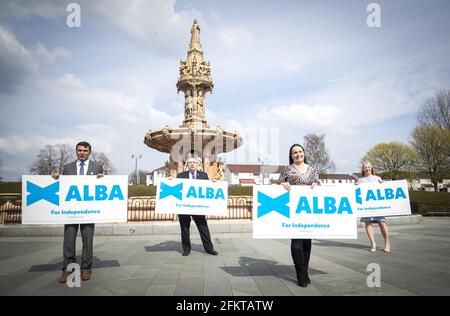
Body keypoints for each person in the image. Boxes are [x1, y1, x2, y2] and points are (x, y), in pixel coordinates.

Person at [52, 141, 104, 283]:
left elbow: (102, 187)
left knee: (88, 240)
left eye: (84, 150)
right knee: (68, 241)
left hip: (88, 210)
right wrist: (56, 178)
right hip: (71, 211)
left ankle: (86, 268)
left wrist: (102, 179)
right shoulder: (67, 167)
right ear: (76, 151)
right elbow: (62, 187)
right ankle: (68, 269)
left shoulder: (97, 166)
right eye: (79, 150)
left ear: (89, 152)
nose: (81, 153)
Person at [278, 144, 320, 288]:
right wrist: (283, 184)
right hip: (293, 212)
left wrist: (316, 184)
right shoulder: (287, 170)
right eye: (294, 152)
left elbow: (319, 184)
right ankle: (300, 274)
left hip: (308, 212)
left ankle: (305, 271)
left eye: (300, 151)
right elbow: (278, 184)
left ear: (304, 153)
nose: (298, 154)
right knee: (297, 244)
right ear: (291, 155)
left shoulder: (313, 170)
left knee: (307, 243)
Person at [176, 156, 218, 256]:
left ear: (197, 164)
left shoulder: (203, 175)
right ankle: (186, 249)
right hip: (184, 206)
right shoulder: (181, 175)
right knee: (185, 228)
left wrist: (215, 183)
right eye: (190, 162)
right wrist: (169, 180)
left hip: (198, 207)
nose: (192, 164)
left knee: (203, 227)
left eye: (194, 162)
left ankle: (209, 249)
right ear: (187, 164)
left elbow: (208, 189)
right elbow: (176, 187)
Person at [357, 162, 390, 253]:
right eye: (365, 167)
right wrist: (355, 186)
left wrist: (383, 183)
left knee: (382, 223)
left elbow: (383, 189)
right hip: (366, 206)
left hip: (377, 205)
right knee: (368, 223)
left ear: (371, 168)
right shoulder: (360, 180)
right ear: (363, 169)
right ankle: (373, 243)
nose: (367, 169)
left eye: (369, 167)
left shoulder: (377, 178)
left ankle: (387, 243)